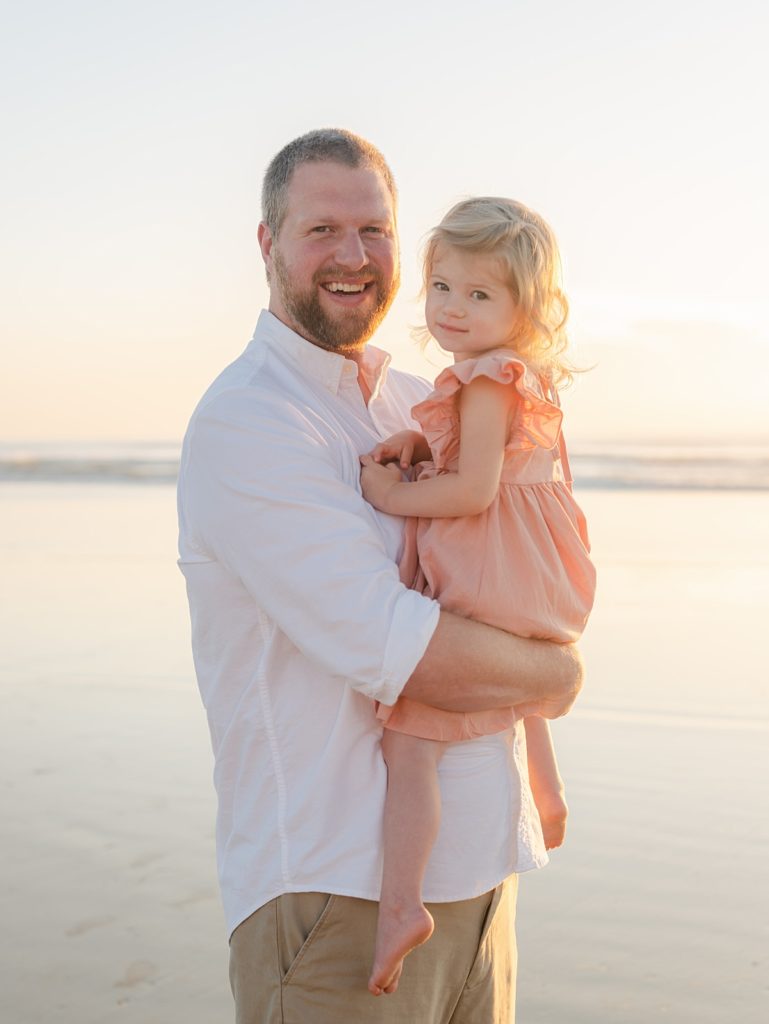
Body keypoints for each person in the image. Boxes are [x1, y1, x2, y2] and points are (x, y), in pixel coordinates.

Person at [177, 129, 583, 1024]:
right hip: (337, 906)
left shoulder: (417, 401)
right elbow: (405, 652)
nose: (353, 257)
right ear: (267, 243)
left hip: (483, 896)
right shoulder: (249, 424)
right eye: (321, 229)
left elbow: (513, 554)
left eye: (375, 229)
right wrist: (558, 673)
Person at [359, 197, 597, 995]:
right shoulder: (486, 378)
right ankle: (547, 784)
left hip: (496, 564)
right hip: (520, 563)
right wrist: (417, 441)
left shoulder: (490, 380)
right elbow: (469, 453)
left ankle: (401, 904)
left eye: (479, 295)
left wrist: (392, 497)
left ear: (522, 307)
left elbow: (471, 489)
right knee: (506, 667)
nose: (452, 309)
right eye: (441, 287)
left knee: (411, 741)